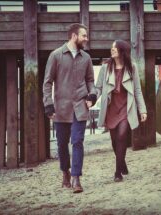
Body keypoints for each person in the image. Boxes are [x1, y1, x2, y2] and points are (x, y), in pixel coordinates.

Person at [42, 23, 97, 193]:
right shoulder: (56, 55)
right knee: (62, 144)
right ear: (74, 36)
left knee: (78, 141)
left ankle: (76, 178)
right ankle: (65, 172)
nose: (86, 39)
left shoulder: (86, 58)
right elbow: (47, 82)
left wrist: (92, 95)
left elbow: (90, 80)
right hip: (61, 108)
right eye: (84, 36)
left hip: (80, 106)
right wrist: (48, 104)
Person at [96, 40, 147, 182]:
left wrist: (142, 110)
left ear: (122, 51)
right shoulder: (105, 68)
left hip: (126, 107)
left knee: (122, 137)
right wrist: (92, 98)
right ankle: (122, 162)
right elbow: (99, 87)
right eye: (111, 47)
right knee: (114, 141)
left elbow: (137, 90)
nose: (112, 50)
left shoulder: (132, 68)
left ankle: (117, 172)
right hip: (111, 108)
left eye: (115, 48)